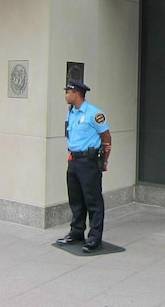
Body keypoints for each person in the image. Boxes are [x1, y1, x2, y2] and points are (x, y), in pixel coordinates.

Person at [57, 79, 111, 253]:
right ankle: (77, 232)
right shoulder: (71, 113)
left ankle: (95, 237)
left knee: (92, 200)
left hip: (89, 163)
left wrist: (104, 161)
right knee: (76, 199)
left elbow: (107, 138)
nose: (66, 94)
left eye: (68, 91)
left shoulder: (94, 114)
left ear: (77, 93)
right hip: (74, 160)